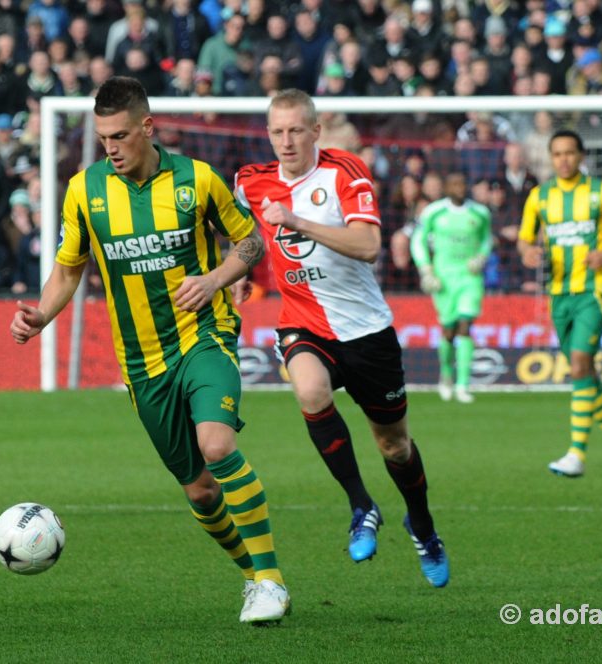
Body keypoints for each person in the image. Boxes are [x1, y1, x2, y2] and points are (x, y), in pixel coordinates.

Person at [9, 76, 290, 624]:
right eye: (102, 137)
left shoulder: (197, 179)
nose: (110, 147)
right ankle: (252, 578)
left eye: (119, 135)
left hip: (204, 333)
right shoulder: (84, 190)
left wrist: (214, 280)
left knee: (215, 444)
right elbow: (68, 271)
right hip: (141, 360)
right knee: (202, 493)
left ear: (146, 127)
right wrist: (42, 314)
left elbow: (251, 240)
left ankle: (273, 581)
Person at [234, 89, 448, 587]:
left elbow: (369, 244)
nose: (285, 141)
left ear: (315, 131)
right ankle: (361, 505)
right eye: (276, 132)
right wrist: (245, 268)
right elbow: (243, 230)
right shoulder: (251, 180)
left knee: (394, 446)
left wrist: (298, 222)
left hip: (366, 331)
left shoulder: (343, 172)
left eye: (295, 131)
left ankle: (422, 525)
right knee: (309, 390)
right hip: (302, 322)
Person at [518, 129, 602, 480]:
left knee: (579, 362)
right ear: (551, 157)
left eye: (570, 153)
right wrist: (528, 252)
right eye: (557, 154)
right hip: (559, 294)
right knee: (583, 371)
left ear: (581, 155)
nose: (564, 160)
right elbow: (525, 240)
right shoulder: (539, 198)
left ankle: (577, 453)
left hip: (593, 291)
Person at [411, 172, 492, 404]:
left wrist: (481, 257)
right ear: (446, 187)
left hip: (469, 277)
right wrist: (426, 269)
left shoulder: (480, 213)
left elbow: (486, 239)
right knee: (449, 329)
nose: (459, 187)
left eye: (462, 183)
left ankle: (463, 385)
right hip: (443, 278)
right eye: (454, 183)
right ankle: (446, 375)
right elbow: (418, 240)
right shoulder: (434, 212)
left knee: (465, 325)